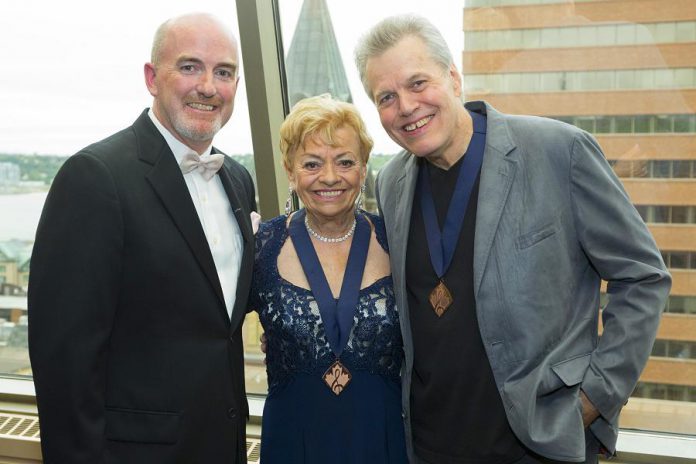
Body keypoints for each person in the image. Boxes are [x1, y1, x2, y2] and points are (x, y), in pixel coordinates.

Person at [354, 14, 671, 464]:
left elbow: (643, 278)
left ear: (454, 78)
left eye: (417, 83)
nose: (406, 106)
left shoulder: (560, 152)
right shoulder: (391, 183)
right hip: (430, 444)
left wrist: (593, 400)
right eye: (386, 97)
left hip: (537, 444)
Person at [28, 13, 256, 463]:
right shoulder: (95, 178)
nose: (209, 86)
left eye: (224, 72)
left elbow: (218, 320)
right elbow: (65, 365)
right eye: (190, 67)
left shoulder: (238, 179)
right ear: (152, 78)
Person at [249, 94, 407, 463]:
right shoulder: (261, 248)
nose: (331, 177)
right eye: (312, 163)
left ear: (364, 168)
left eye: (345, 162)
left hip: (381, 442)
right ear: (290, 171)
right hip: (294, 443)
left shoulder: (398, 242)